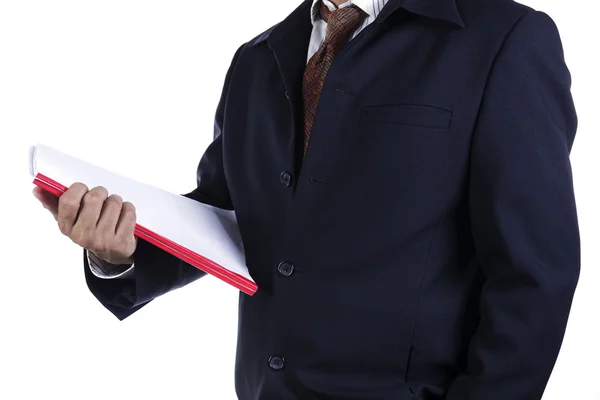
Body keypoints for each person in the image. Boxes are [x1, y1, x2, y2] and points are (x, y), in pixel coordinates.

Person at [33, 0, 580, 398]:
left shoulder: (503, 38)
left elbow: (536, 273)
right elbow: (225, 217)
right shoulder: (256, 59)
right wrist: (117, 252)